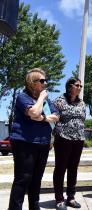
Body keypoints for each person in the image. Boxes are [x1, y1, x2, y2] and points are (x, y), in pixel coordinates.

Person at [8, 68, 59, 210]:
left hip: (43, 144)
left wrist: (41, 118)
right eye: (42, 81)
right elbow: (34, 112)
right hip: (24, 142)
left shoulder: (47, 101)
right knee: (23, 179)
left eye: (46, 80)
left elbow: (56, 116)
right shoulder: (22, 97)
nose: (45, 84)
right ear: (32, 82)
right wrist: (41, 98)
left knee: (36, 180)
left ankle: (34, 207)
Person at [53, 78, 86, 210]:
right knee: (61, 169)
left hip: (78, 140)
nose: (80, 87)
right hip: (63, 139)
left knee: (73, 169)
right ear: (69, 86)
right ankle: (59, 199)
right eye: (77, 85)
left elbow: (83, 119)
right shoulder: (59, 101)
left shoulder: (82, 103)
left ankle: (71, 197)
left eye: (81, 86)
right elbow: (52, 119)